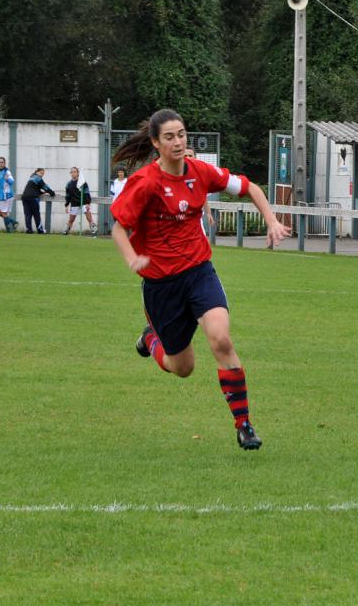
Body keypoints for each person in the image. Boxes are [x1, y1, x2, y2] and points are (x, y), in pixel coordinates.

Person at [109, 108, 290, 450]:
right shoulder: (145, 182)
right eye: (169, 137)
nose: (178, 142)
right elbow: (119, 228)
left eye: (181, 134)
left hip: (199, 273)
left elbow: (249, 187)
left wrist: (271, 220)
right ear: (155, 143)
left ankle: (244, 425)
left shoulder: (200, 172)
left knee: (221, 339)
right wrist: (132, 258)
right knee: (183, 368)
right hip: (162, 286)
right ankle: (151, 340)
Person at [20, 168, 55, 234]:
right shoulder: (38, 178)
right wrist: (52, 192)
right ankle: (40, 230)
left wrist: (42, 193)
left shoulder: (31, 178)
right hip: (33, 198)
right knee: (36, 214)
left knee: (28, 214)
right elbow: (45, 186)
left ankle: (29, 230)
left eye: (43, 174)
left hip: (25, 197)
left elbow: (35, 189)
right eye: (41, 173)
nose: (42, 175)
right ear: (37, 172)